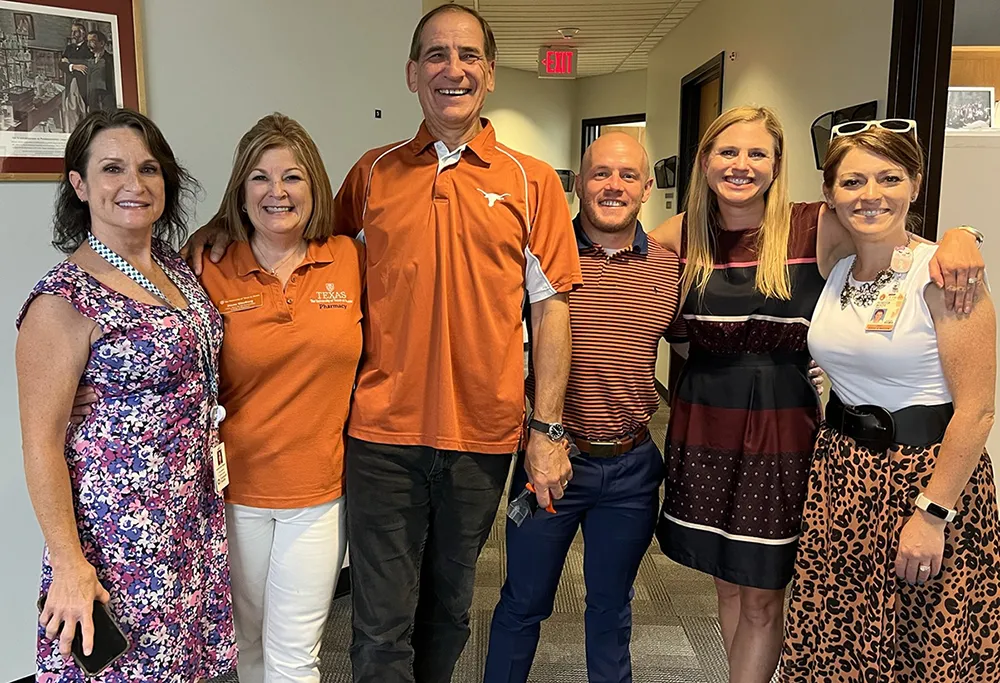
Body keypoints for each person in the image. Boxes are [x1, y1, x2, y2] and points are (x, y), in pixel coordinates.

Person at [183, 6, 582, 683]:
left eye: (466, 56)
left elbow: (552, 310)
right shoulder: (371, 176)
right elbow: (298, 235)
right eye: (434, 55)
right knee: (378, 620)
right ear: (410, 74)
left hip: (482, 438)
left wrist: (547, 428)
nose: (450, 69)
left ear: (488, 73)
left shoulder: (530, 180)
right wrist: (216, 229)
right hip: (379, 438)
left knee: (450, 609)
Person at [647, 106, 984, 683]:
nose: (742, 165)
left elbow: (892, 229)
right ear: (704, 161)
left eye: (758, 154)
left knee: (764, 594)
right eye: (728, 152)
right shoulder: (681, 234)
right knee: (729, 585)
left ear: (778, 166)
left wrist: (962, 233)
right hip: (704, 425)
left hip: (782, 433)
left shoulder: (813, 225)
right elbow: (615, 272)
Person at [15, 109, 236, 681]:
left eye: (149, 168)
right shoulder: (62, 301)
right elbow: (40, 444)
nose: (134, 184)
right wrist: (69, 564)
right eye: (112, 169)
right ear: (80, 184)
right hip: (120, 538)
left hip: (191, 518)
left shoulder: (172, 264)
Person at [781, 121, 999, 682]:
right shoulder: (836, 264)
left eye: (889, 178)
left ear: (916, 185)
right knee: (839, 641)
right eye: (852, 181)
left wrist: (932, 515)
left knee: (919, 647)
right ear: (831, 195)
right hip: (842, 476)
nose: (870, 194)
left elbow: (977, 411)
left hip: (923, 479)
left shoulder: (945, 277)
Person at [482, 133, 681, 683]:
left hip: (631, 468)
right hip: (551, 462)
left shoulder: (669, 270)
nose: (612, 186)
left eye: (626, 175)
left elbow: (705, 348)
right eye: (599, 174)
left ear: (645, 188)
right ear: (577, 184)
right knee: (523, 604)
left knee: (611, 608)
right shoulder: (543, 260)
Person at [85, 30, 115, 113]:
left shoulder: (110, 59)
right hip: (93, 99)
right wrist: (88, 103)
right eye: (88, 41)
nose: (89, 44)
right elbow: (89, 82)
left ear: (101, 43)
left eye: (92, 41)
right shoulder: (90, 61)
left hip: (107, 98)